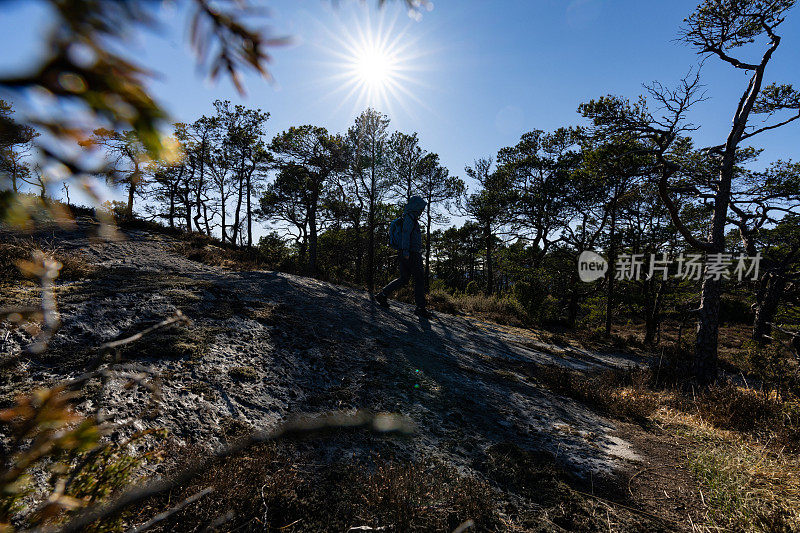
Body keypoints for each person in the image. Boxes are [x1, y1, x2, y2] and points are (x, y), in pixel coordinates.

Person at [375, 195, 431, 318]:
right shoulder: (409, 218)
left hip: (405, 253)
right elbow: (406, 234)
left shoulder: (408, 217)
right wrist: (406, 251)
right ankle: (420, 308)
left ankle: (382, 295)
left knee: (404, 279)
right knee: (419, 279)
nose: (421, 210)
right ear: (416, 206)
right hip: (411, 253)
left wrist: (404, 252)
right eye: (420, 208)